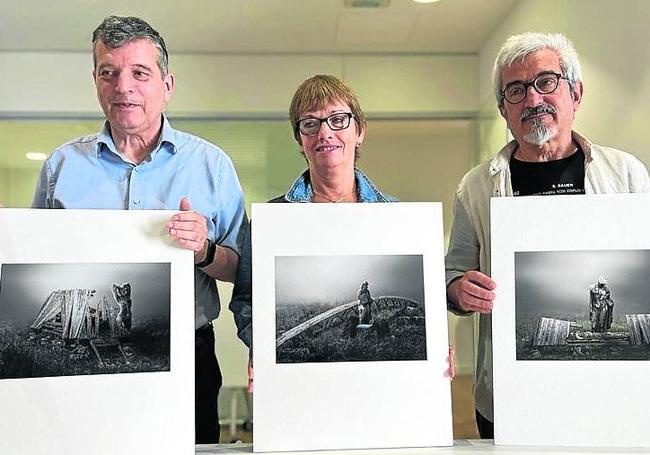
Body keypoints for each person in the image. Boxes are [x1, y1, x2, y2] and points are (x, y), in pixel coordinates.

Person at [32, 15, 247, 443]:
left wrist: (203, 249)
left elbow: (242, 271)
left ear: (167, 85)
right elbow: (34, 270)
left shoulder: (212, 166)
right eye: (108, 72)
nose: (122, 86)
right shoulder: (61, 168)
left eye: (139, 73)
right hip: (82, 355)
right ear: (95, 81)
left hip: (189, 356)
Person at [445, 32, 650, 438]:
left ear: (576, 92)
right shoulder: (475, 187)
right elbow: (451, 276)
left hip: (614, 394)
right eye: (516, 91)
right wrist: (460, 290)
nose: (533, 100)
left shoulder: (627, 174)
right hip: (511, 394)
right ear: (504, 109)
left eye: (546, 82)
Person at [229, 74, 393, 351]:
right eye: (310, 124)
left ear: (360, 131)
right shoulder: (272, 220)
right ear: (299, 140)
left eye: (338, 120)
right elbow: (246, 301)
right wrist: (265, 350)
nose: (324, 133)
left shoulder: (395, 216)